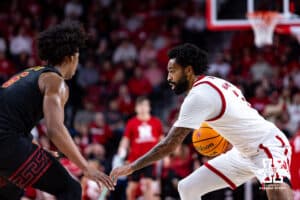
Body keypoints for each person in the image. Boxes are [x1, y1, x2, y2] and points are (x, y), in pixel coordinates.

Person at [110, 43, 293, 200]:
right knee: (187, 188)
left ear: (188, 70)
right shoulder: (213, 82)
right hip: (242, 153)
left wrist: (132, 166)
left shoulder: (199, 96)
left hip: (267, 145)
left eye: (172, 71)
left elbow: (169, 145)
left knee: (276, 193)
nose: (168, 78)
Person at [0, 21, 114, 200]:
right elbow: (55, 129)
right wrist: (85, 167)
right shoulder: (55, 82)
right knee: (71, 189)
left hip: (8, 143)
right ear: (70, 57)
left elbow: (10, 118)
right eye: (78, 56)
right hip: (7, 143)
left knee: (12, 190)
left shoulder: (30, 73)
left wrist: (35, 149)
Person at [115, 96, 163, 200]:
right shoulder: (132, 123)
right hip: (135, 160)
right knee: (132, 187)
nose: (142, 108)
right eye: (140, 106)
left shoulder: (156, 122)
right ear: (136, 108)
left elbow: (162, 140)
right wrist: (122, 149)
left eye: (145, 105)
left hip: (150, 160)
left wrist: (165, 155)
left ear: (149, 107)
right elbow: (125, 139)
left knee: (148, 185)